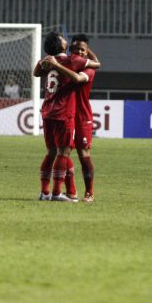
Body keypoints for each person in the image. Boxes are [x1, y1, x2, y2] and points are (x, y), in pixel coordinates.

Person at [33, 32, 100, 202]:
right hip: (65, 113)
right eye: (76, 48)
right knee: (64, 151)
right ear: (67, 47)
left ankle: (87, 193)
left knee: (79, 153)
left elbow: (83, 74)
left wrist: (51, 62)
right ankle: (64, 191)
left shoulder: (86, 68)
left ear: (87, 50)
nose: (80, 51)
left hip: (79, 115)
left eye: (83, 49)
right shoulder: (72, 61)